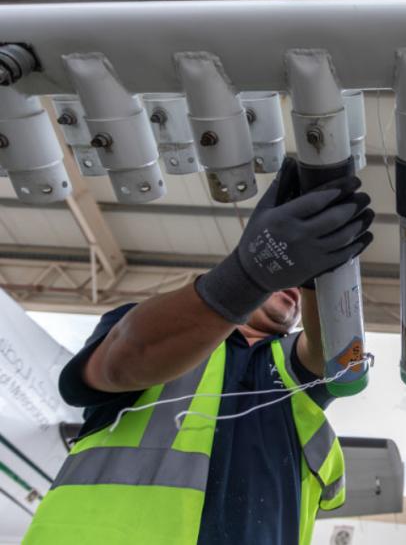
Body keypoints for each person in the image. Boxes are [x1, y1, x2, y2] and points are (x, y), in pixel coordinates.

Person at [23, 159, 375, 545]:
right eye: (280, 277)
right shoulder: (161, 330)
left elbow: (336, 354)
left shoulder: (291, 369)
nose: (288, 284)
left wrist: (322, 276)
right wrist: (247, 273)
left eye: (296, 283)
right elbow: (124, 359)